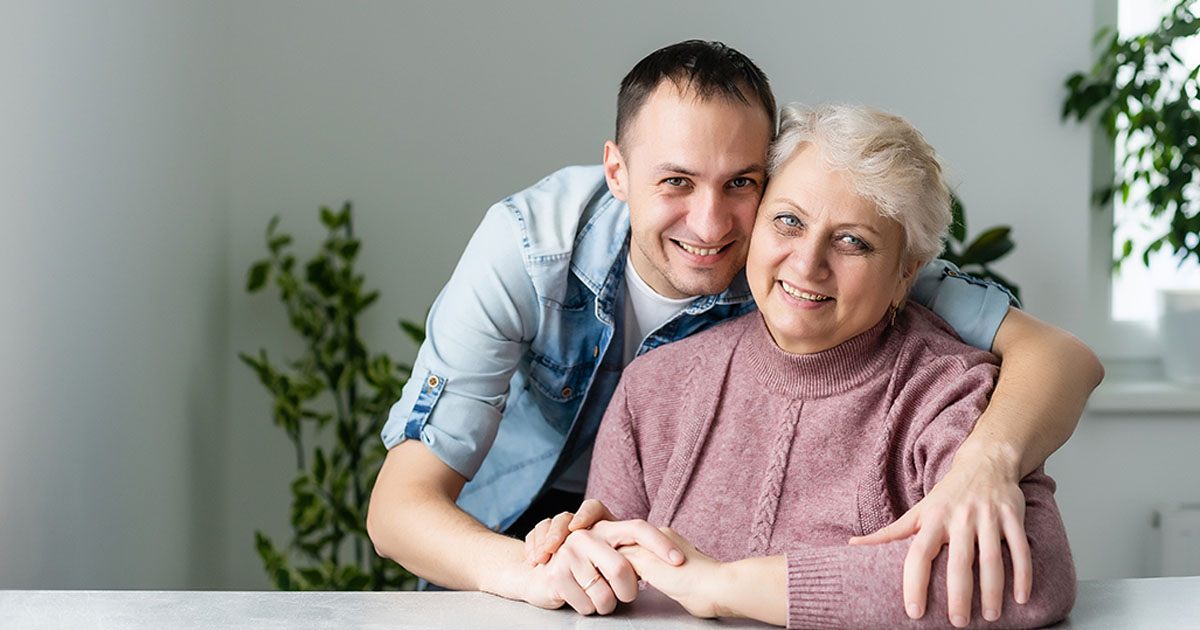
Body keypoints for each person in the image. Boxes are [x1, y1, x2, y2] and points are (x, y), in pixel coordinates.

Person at [366, 41, 1101, 624]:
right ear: (617, 173)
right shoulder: (528, 250)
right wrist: (532, 570)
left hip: (683, 560)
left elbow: (1055, 355)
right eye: (676, 182)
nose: (713, 225)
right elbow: (400, 509)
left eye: (742, 184)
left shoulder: (836, 261)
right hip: (510, 531)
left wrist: (987, 463)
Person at [574, 103, 1075, 628]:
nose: (807, 263)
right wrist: (574, 558)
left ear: (906, 273)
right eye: (788, 221)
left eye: (852, 241)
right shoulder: (654, 387)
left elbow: (1033, 578)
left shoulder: (949, 391)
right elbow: (603, 578)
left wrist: (722, 585)